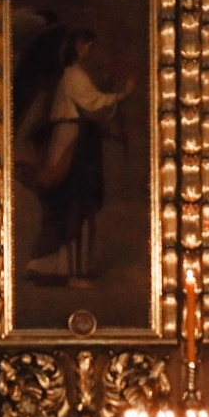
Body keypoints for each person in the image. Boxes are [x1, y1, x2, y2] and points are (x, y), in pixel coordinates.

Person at [17, 24, 128, 287]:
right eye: (86, 44)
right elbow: (93, 103)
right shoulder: (73, 75)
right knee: (71, 199)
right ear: (76, 47)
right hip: (70, 140)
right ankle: (65, 272)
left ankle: (71, 269)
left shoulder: (75, 75)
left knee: (76, 199)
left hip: (77, 137)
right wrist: (123, 94)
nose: (89, 49)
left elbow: (95, 108)